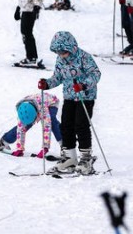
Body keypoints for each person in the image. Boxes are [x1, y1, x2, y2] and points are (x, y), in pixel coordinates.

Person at [37, 31, 101, 175]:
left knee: (81, 125)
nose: (61, 54)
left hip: (85, 97)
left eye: (63, 51)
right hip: (69, 97)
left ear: (70, 47)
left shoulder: (84, 57)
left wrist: (84, 85)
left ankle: (86, 159)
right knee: (66, 125)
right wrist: (47, 84)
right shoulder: (60, 60)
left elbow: (95, 74)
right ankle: (69, 158)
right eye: (58, 51)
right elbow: (58, 77)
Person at [0, 92, 62, 158]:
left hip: (51, 102)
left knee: (51, 121)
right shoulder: (22, 110)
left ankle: (64, 144)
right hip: (33, 104)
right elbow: (20, 129)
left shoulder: (43, 110)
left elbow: (46, 128)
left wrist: (45, 148)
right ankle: (4, 142)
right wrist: (19, 148)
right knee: (24, 125)